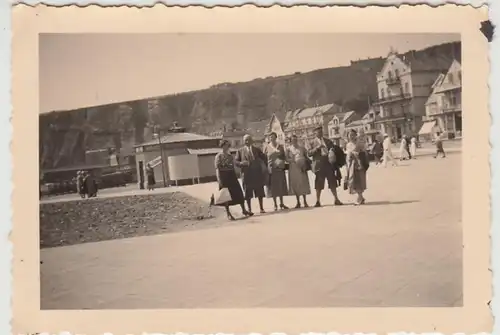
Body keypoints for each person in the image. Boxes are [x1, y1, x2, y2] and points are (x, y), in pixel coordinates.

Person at [214, 140, 253, 220]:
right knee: (226, 196)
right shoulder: (219, 156)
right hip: (224, 177)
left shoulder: (229, 155)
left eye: (228, 145)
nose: (228, 146)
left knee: (238, 192)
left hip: (232, 175)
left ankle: (244, 210)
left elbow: (236, 163)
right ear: (223, 146)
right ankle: (228, 214)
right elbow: (217, 168)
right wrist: (219, 180)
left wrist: (243, 163)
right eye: (226, 145)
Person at [308, 126, 344, 207]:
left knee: (332, 182)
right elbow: (309, 153)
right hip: (319, 164)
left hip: (328, 163)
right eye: (318, 132)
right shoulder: (312, 143)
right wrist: (317, 148)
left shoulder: (328, 141)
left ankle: (336, 199)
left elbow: (333, 149)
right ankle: (317, 201)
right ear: (315, 133)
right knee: (318, 184)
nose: (320, 133)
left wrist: (332, 150)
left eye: (321, 131)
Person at [235, 134, 268, 214]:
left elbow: (264, 158)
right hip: (247, 175)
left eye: (249, 139)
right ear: (243, 141)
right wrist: (242, 163)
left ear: (252, 141)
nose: (247, 141)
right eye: (246, 140)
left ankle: (261, 208)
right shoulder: (240, 151)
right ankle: (249, 209)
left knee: (260, 191)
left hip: (257, 174)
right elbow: (236, 162)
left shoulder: (257, 149)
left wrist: (262, 165)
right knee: (248, 193)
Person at [264, 132, 289, 211]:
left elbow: (284, 156)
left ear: (276, 137)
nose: (272, 138)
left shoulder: (280, 146)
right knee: (273, 187)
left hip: (279, 168)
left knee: (280, 185)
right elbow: (264, 158)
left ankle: (281, 203)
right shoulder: (267, 147)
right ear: (269, 138)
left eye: (273, 137)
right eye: (270, 137)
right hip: (272, 169)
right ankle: (275, 204)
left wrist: (280, 159)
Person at [286, 134, 311, 208]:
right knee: (296, 185)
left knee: (303, 184)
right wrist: (292, 160)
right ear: (291, 141)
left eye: (295, 140)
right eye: (293, 140)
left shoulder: (302, 148)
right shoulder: (288, 149)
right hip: (293, 168)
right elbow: (286, 159)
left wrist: (305, 163)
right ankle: (298, 202)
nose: (294, 141)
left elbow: (307, 156)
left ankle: (305, 201)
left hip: (302, 168)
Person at [345, 130, 368, 205]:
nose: (351, 136)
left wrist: (355, 153)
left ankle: (360, 198)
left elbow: (364, 152)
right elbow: (348, 155)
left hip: (359, 163)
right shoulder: (348, 144)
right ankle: (360, 197)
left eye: (352, 135)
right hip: (352, 164)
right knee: (353, 181)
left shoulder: (359, 143)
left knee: (360, 180)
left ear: (355, 135)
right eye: (349, 135)